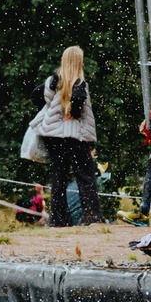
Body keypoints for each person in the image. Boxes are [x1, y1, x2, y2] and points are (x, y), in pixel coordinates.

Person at [36, 46, 100, 227]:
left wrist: (51, 110)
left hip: (54, 135)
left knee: (59, 176)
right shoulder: (80, 82)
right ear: (79, 61)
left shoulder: (52, 81)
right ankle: (92, 217)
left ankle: (58, 219)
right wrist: (74, 112)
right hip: (75, 136)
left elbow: (36, 95)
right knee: (85, 176)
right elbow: (79, 99)